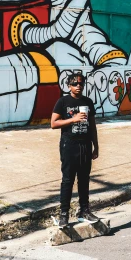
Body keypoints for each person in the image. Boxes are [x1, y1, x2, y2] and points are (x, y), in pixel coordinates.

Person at [51, 72, 100, 228]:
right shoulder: (63, 101)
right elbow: (53, 123)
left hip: (85, 145)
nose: (78, 86)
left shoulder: (88, 102)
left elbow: (92, 125)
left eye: (80, 83)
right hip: (69, 145)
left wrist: (96, 145)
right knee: (68, 180)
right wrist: (73, 119)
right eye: (74, 83)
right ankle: (64, 214)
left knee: (84, 179)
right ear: (68, 86)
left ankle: (84, 211)